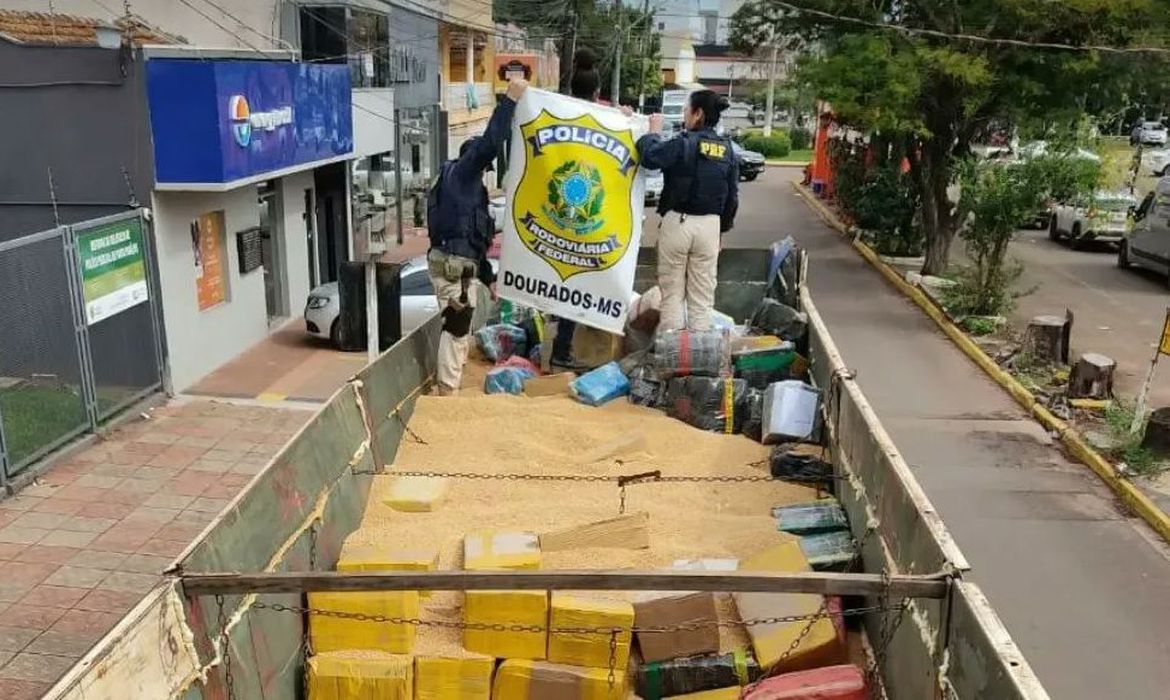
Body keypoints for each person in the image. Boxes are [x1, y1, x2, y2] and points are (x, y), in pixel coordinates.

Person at [428, 78, 528, 395]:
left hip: (461, 267)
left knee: (459, 327)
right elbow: (489, 145)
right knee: (458, 329)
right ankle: (448, 391)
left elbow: (475, 242)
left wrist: (488, 280)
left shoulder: (465, 189)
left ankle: (449, 384)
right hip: (452, 268)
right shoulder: (462, 174)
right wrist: (510, 102)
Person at [636, 90, 738, 331]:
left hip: (679, 223)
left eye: (685, 110)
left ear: (698, 113)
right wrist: (720, 231)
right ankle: (698, 357)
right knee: (702, 299)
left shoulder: (683, 143)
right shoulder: (727, 149)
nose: (683, 116)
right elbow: (732, 196)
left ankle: (673, 357)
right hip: (711, 227)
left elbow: (650, 157)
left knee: (672, 295)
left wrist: (653, 132)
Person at [547, 49, 605, 371]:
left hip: (559, 215)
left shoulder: (559, 112)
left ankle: (560, 347)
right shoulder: (606, 121)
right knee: (581, 284)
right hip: (590, 220)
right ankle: (563, 349)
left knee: (563, 283)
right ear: (597, 92)